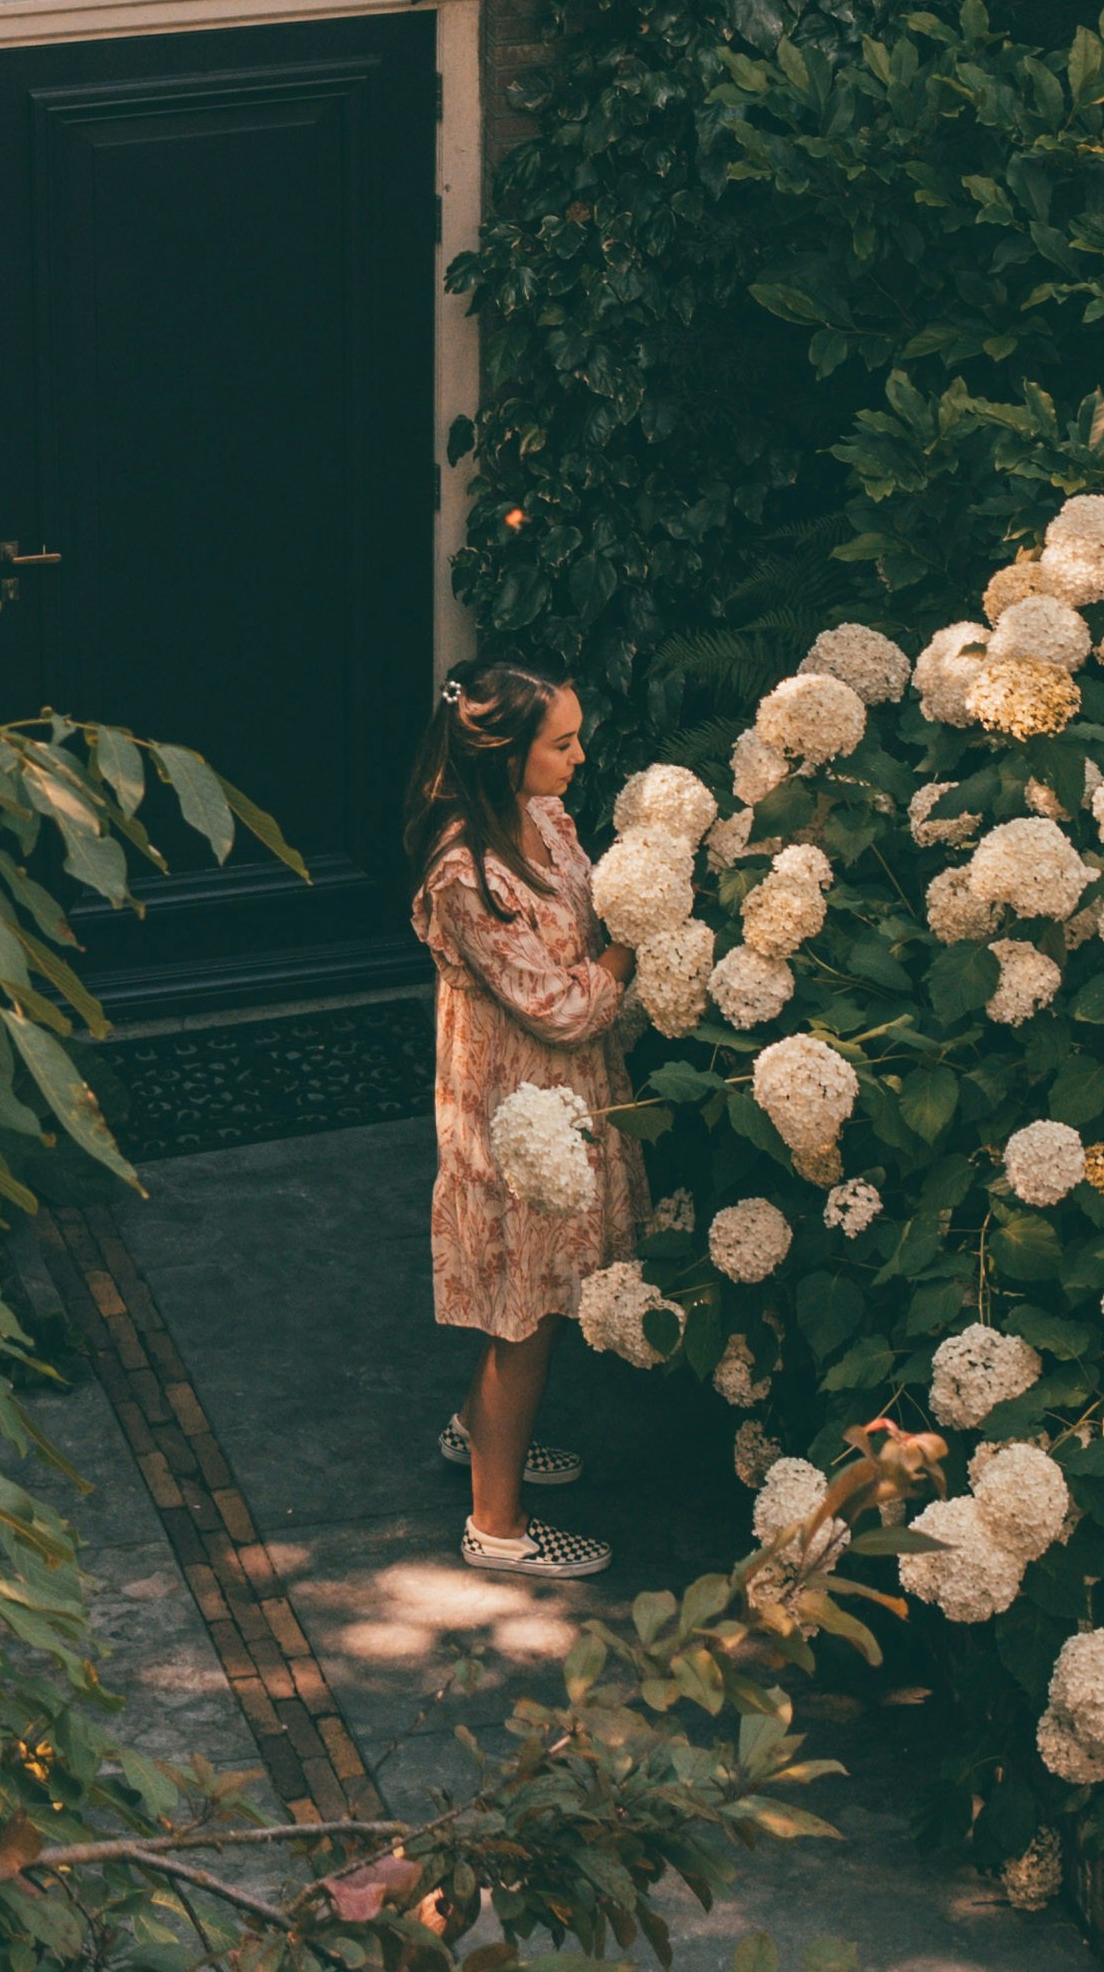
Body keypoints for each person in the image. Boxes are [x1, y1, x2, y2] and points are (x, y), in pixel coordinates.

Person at [405, 654, 646, 1577]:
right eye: (562, 742)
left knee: (526, 1305)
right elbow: (563, 1005)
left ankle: (479, 1436)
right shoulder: (468, 873)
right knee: (527, 1315)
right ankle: (496, 1528)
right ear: (505, 755)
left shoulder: (543, 816)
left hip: (569, 1097)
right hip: (516, 1121)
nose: (581, 756)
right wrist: (627, 954)